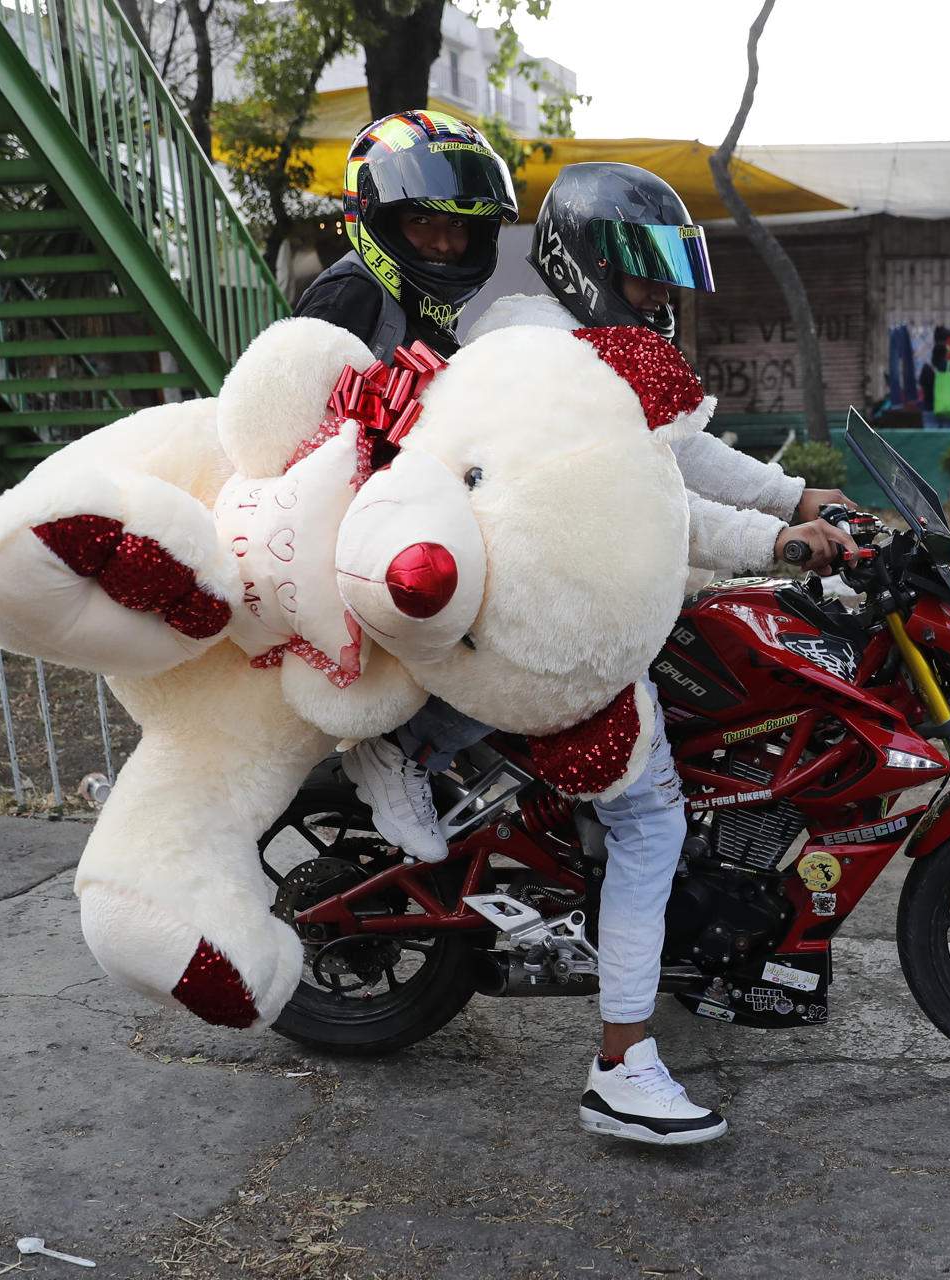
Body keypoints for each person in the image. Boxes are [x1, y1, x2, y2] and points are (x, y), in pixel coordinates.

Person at [360, 161, 854, 1144]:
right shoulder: (553, 355)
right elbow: (647, 510)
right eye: (643, 277)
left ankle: (430, 757)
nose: (659, 297)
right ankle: (622, 1063)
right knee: (652, 819)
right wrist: (775, 541)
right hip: (533, 615)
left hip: (528, 597)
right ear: (586, 262)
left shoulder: (554, 337)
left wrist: (794, 498)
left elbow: (677, 451)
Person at [291, 110, 522, 858]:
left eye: (463, 229)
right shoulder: (349, 297)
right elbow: (306, 436)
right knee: (524, 624)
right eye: (427, 225)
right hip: (357, 537)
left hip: (410, 516)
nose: (449, 244)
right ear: (379, 217)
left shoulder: (433, 307)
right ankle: (408, 753)